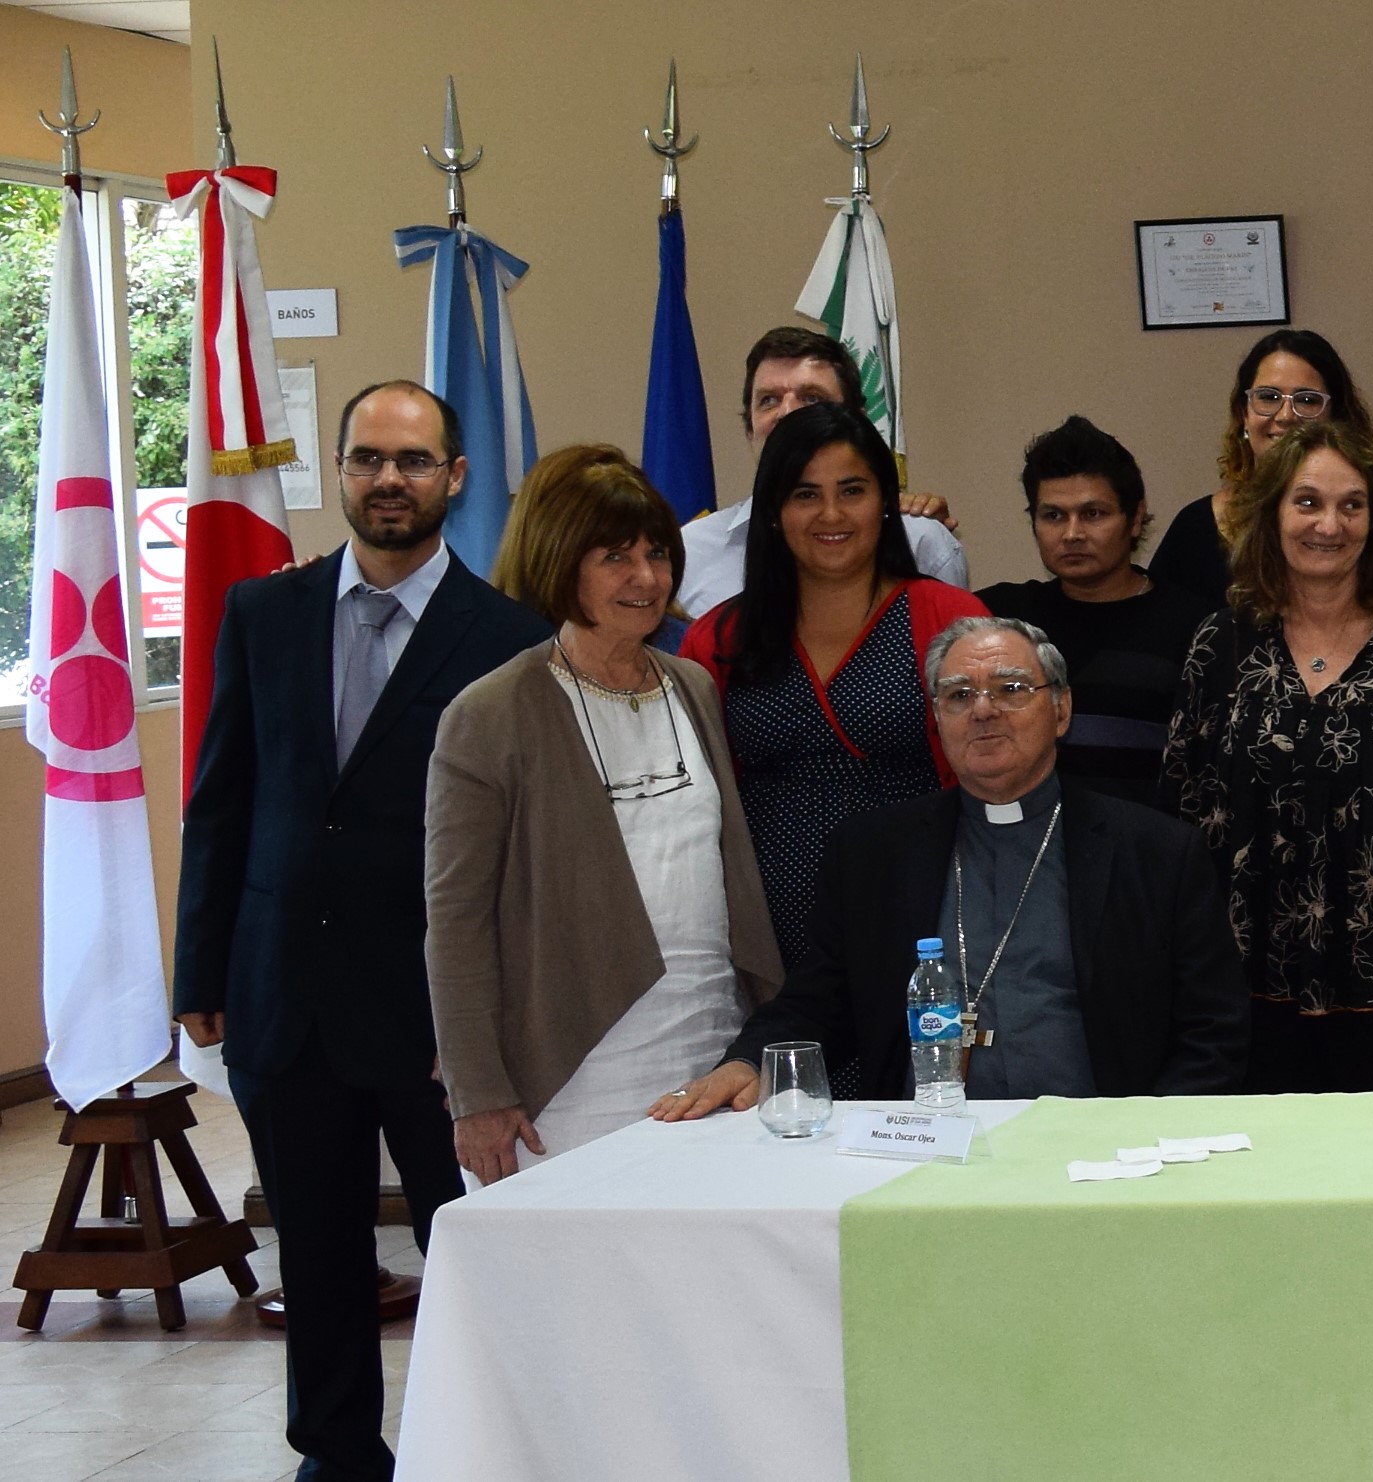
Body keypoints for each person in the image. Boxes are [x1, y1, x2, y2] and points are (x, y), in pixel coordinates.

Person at [173, 380, 553, 1480]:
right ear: (337, 472)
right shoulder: (265, 614)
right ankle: (335, 1458)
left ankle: (486, 1453)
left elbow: (523, 849)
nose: (390, 480)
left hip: (441, 1018)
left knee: (470, 1252)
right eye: (368, 459)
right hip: (284, 997)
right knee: (324, 1256)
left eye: (414, 461)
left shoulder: (509, 637)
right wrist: (203, 964)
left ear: (456, 478)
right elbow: (223, 798)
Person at [662, 618, 1251, 1106]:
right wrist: (749, 1062)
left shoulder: (1155, 852)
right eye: (959, 695)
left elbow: (1214, 1033)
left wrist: (1149, 1134)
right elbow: (821, 1000)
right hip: (924, 1146)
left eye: (1012, 689)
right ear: (936, 718)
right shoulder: (874, 852)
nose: (984, 710)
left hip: (1097, 1151)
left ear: (1062, 710)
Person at [429, 447, 778, 1176]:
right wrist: (478, 1091)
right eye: (615, 556)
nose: (647, 577)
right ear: (560, 561)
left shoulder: (692, 687)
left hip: (710, 1047)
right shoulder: (490, 713)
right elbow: (456, 921)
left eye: (657, 552)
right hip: (570, 1069)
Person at [1168, 419, 1373, 1091]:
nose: (1329, 525)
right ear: (1271, 512)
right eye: (1307, 501)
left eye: (1351, 505)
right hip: (1242, 986)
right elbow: (1183, 810)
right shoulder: (1220, 642)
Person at [680, 403, 992, 974]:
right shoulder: (717, 639)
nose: (831, 513)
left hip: (929, 932)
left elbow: (994, 784)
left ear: (885, 503)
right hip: (766, 947)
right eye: (805, 494)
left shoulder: (951, 619)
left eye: (853, 490)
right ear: (773, 510)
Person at [976, 416, 1219, 812]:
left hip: (1146, 857)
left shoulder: (1197, 627)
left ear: (1135, 518)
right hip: (1029, 853)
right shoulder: (1002, 619)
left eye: (1093, 514)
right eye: (1053, 515)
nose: (1072, 534)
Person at [673, 326, 965, 616]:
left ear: (857, 422)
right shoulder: (692, 552)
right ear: (749, 428)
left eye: (811, 397)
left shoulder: (922, 541)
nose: (786, 413)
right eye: (768, 400)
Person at [1146, 327, 1373, 596]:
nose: (1286, 415)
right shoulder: (1195, 528)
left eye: (1307, 400)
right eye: (1268, 397)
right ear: (1243, 413)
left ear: (1336, 417)